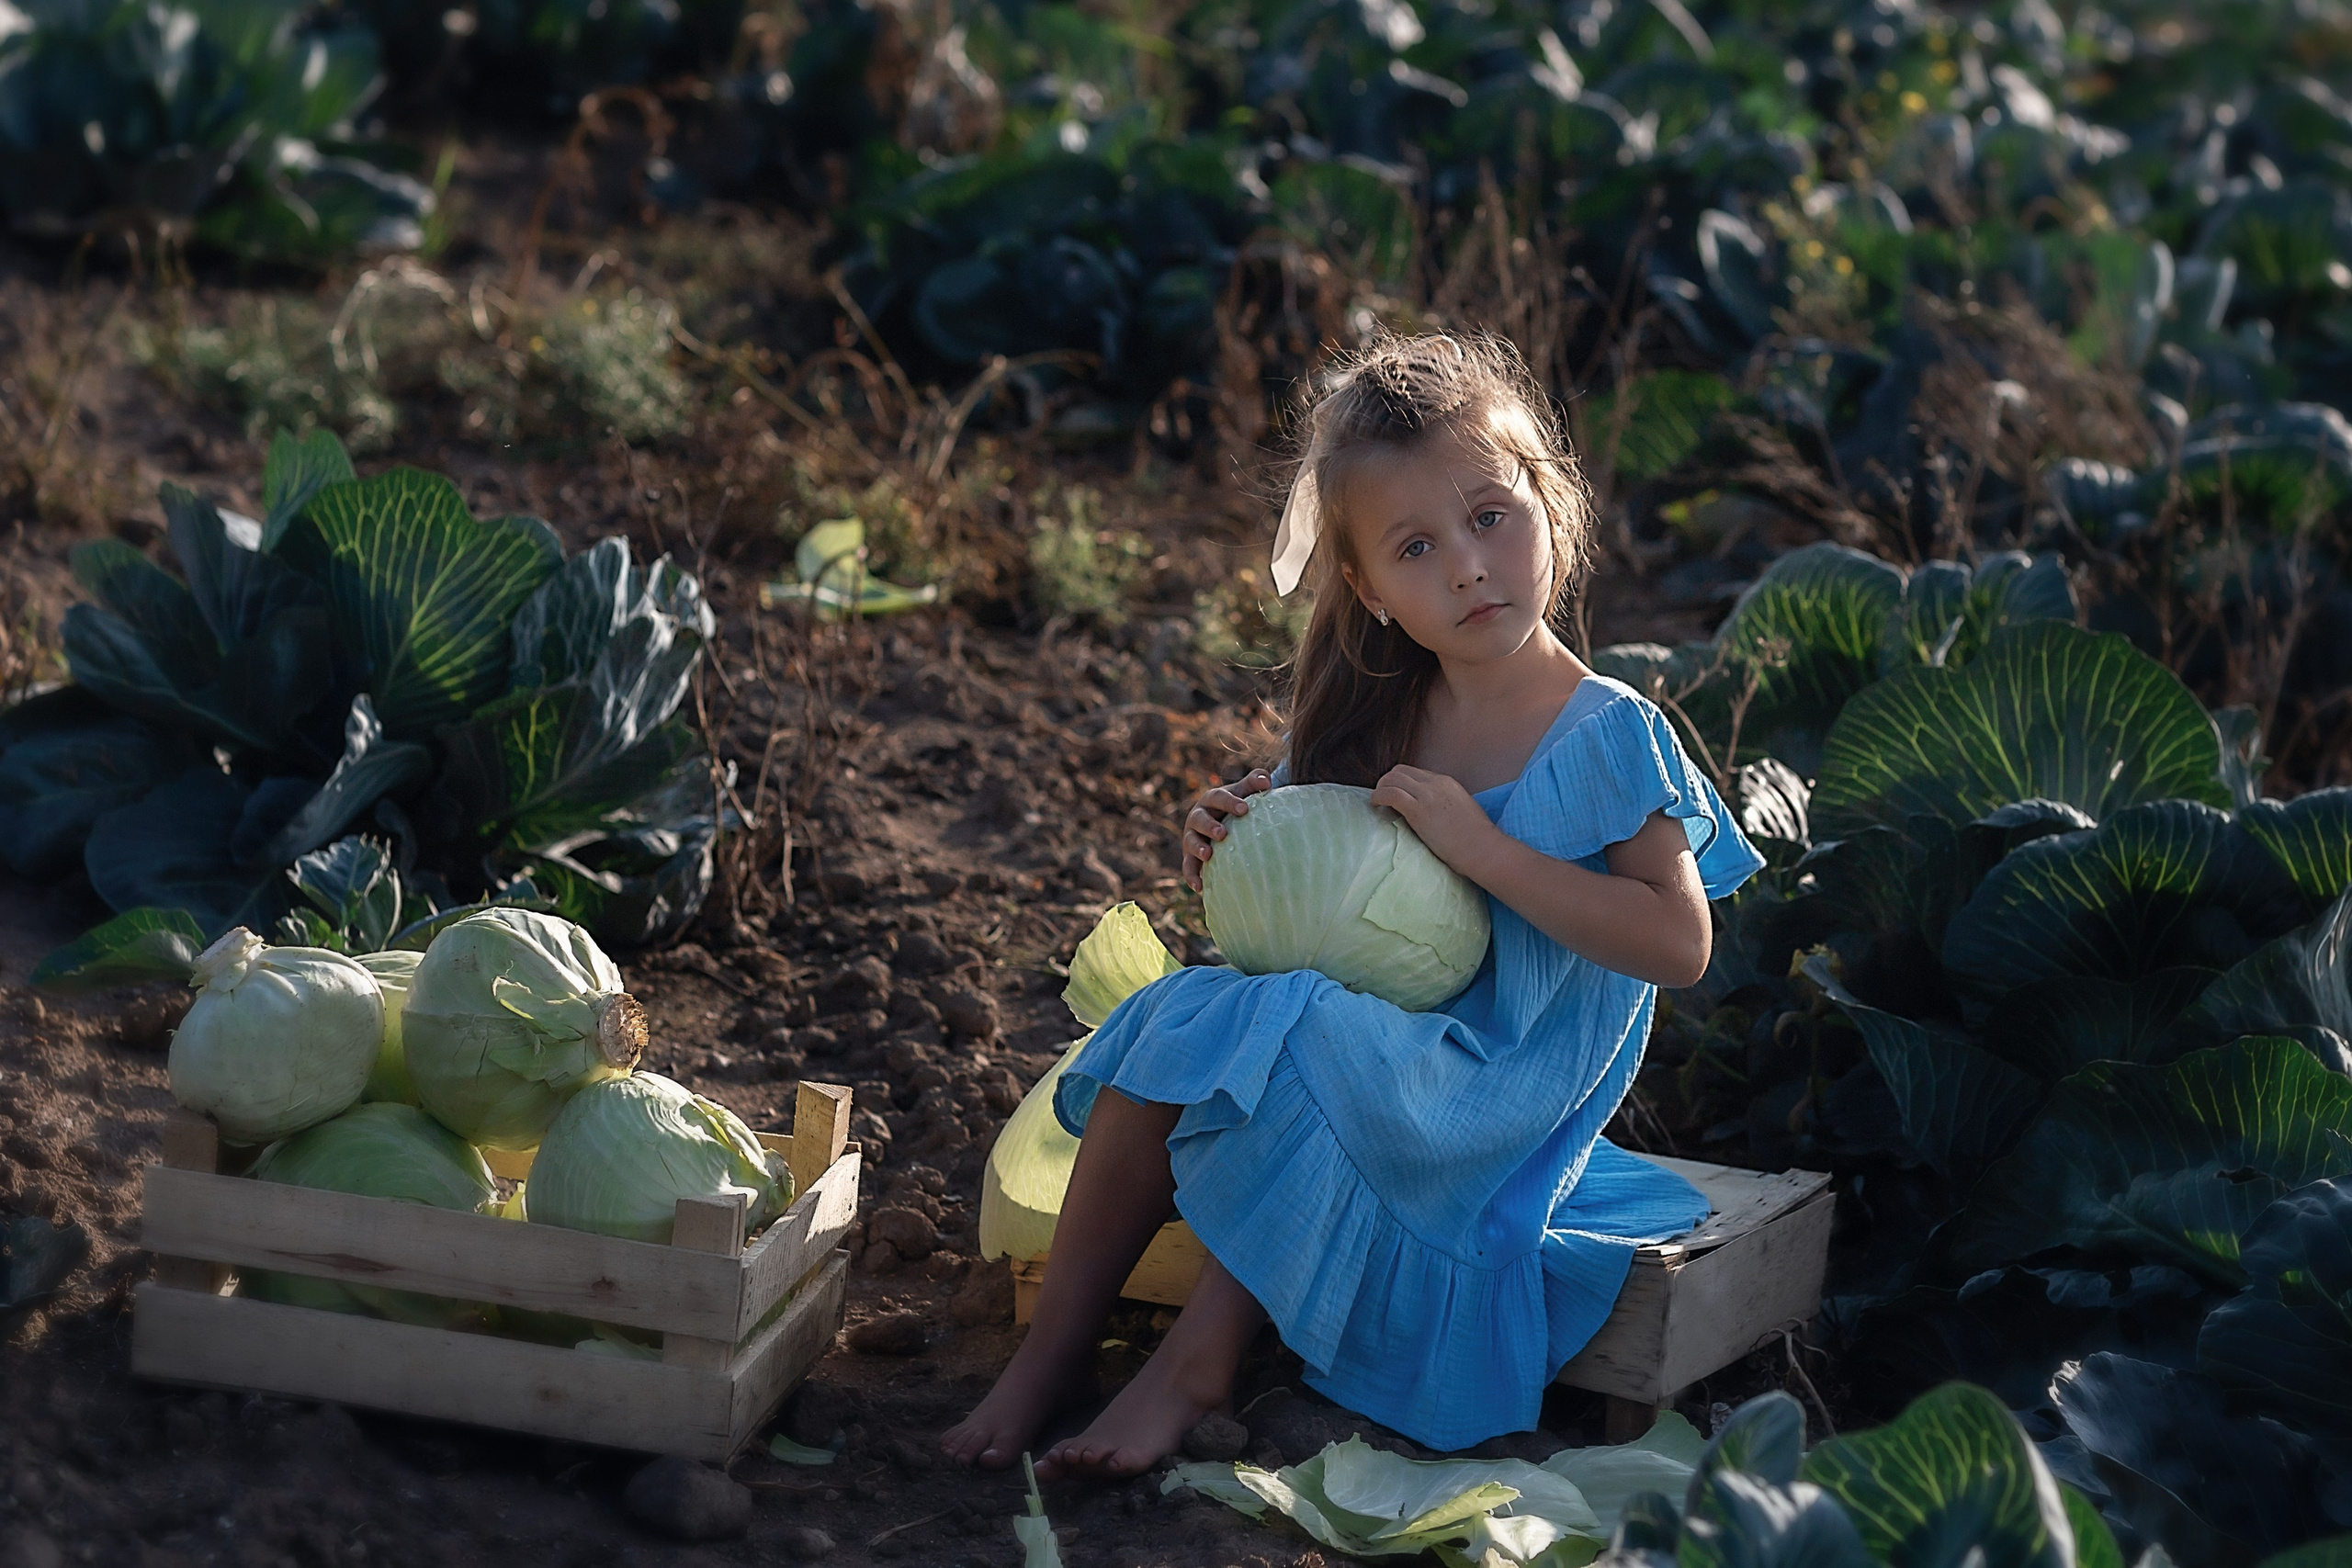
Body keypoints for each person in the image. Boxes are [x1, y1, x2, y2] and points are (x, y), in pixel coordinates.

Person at [942, 332, 1765, 1477]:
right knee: (1177, 1015)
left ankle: (1194, 1366)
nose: (1468, 567)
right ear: (1371, 591)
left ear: (1550, 502)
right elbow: (1301, 882)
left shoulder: (1609, 732)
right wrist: (1226, 840)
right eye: (1416, 547)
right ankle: (1052, 1355)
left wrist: (1483, 850)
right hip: (1375, 1048)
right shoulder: (1381, 717)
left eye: (1490, 516)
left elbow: (1678, 944)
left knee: (1308, 1036)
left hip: (1497, 1083)